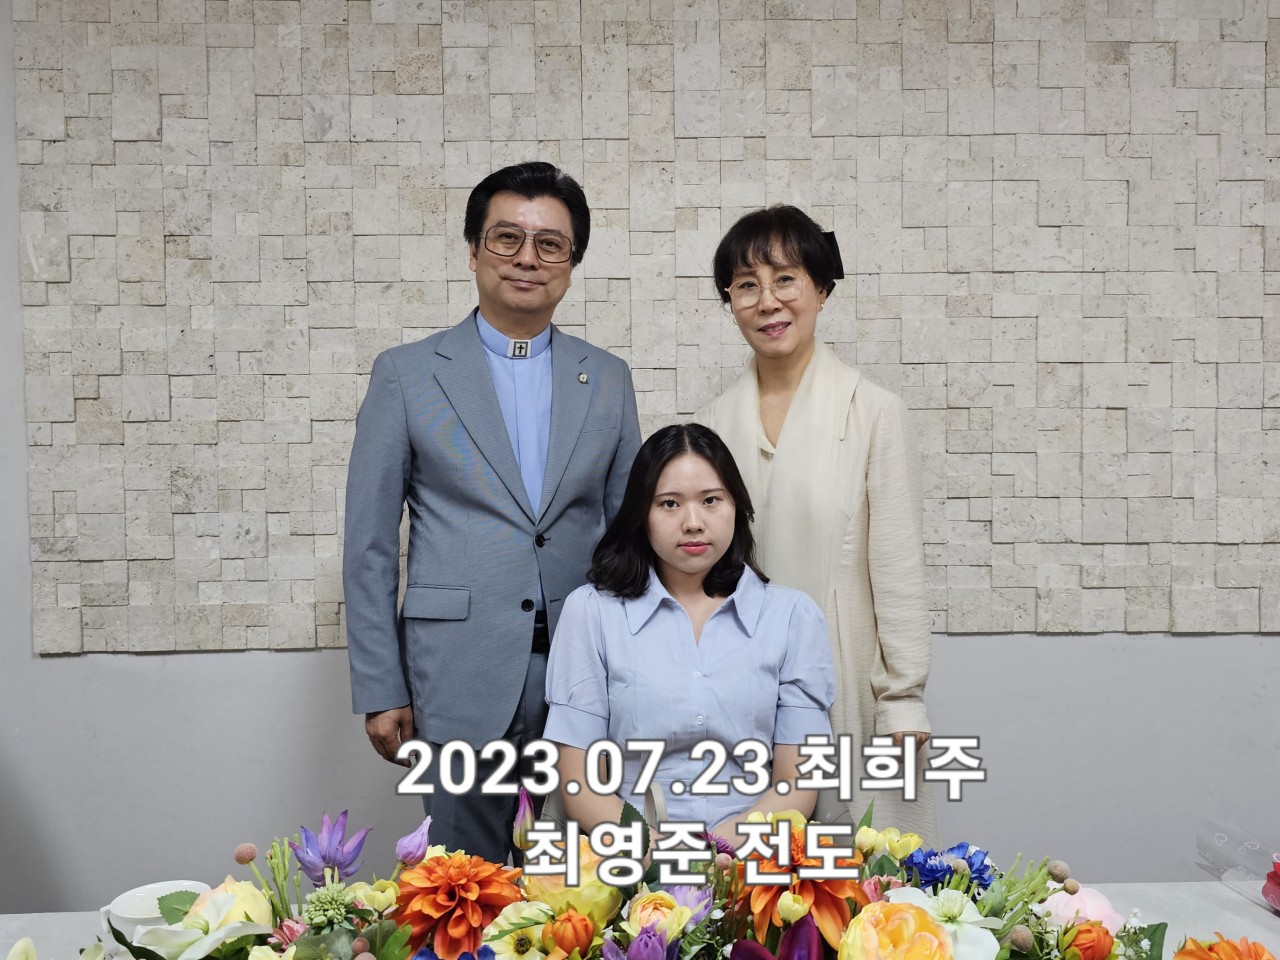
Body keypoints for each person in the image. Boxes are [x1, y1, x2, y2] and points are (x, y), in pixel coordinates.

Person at [343, 161, 642, 864]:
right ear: (473, 250)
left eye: (550, 244)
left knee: (582, 884)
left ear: (571, 264)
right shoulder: (407, 373)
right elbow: (370, 545)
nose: (527, 258)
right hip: (458, 672)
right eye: (507, 238)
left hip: (582, 671)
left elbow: (630, 535)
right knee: (462, 887)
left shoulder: (607, 378)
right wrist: (381, 685)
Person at [699, 205, 938, 840]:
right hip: (739, 685)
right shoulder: (711, 424)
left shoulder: (872, 411)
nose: (767, 301)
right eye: (746, 285)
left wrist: (904, 699)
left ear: (821, 289)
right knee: (743, 870)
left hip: (846, 672)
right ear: (730, 302)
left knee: (861, 870)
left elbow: (898, 567)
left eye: (785, 279)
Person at [543, 423, 835, 847]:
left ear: (737, 506)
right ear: (641, 514)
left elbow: (798, 784)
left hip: (753, 859)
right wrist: (659, 855)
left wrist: (720, 849)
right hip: (629, 860)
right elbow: (580, 785)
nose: (693, 523)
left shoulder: (793, 616)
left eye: (711, 500)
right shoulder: (591, 612)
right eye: (669, 504)